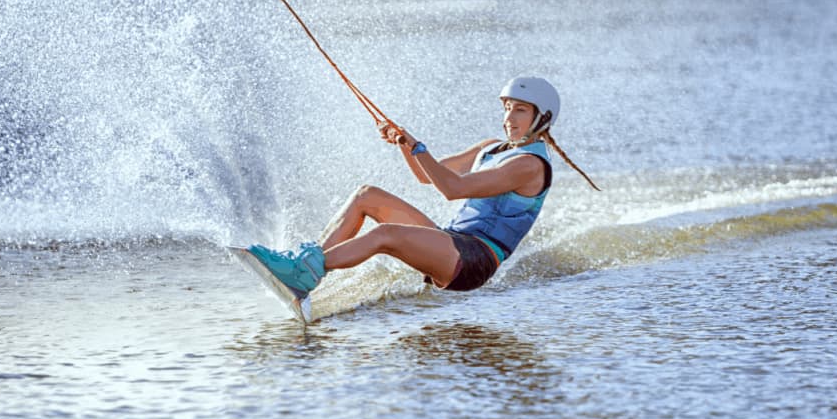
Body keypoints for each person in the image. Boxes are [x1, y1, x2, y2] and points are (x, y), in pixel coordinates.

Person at [248, 76, 600, 296]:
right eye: (507, 108)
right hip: (452, 240)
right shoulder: (491, 147)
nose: (509, 118)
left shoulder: (528, 165)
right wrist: (404, 142)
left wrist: (419, 147)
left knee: (386, 234)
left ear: (543, 118)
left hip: (474, 260)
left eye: (520, 110)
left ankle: (304, 271)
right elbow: (426, 174)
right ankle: (307, 270)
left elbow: (452, 188)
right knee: (367, 196)